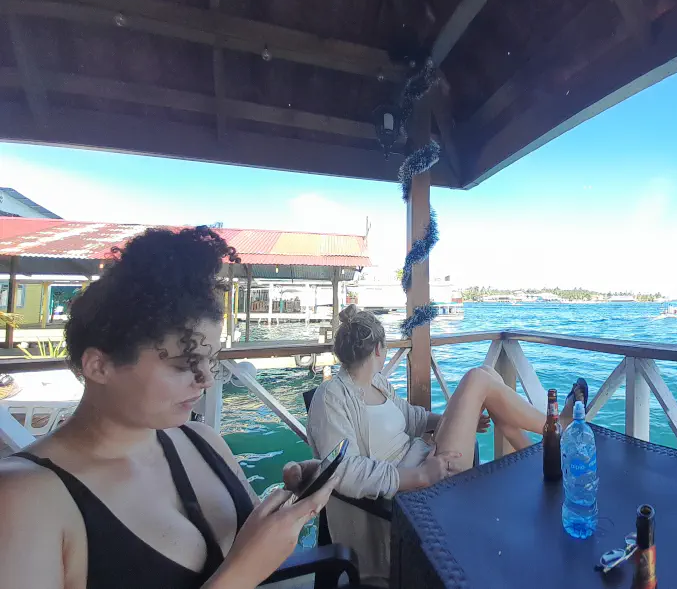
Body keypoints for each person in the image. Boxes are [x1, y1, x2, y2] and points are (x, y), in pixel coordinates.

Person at [0, 226, 340, 589]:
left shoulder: (201, 441)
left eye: (212, 360)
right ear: (99, 366)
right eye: (182, 364)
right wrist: (240, 574)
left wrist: (290, 504)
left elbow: (255, 543)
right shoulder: (24, 499)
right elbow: (246, 564)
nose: (206, 379)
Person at [306, 306, 574, 586]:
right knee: (478, 379)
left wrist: (458, 417)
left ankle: (537, 450)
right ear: (378, 349)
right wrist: (420, 476)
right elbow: (345, 470)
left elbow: (411, 418)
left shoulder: (378, 384)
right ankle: (556, 427)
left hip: (427, 461)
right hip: (413, 493)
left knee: (486, 374)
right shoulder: (331, 397)